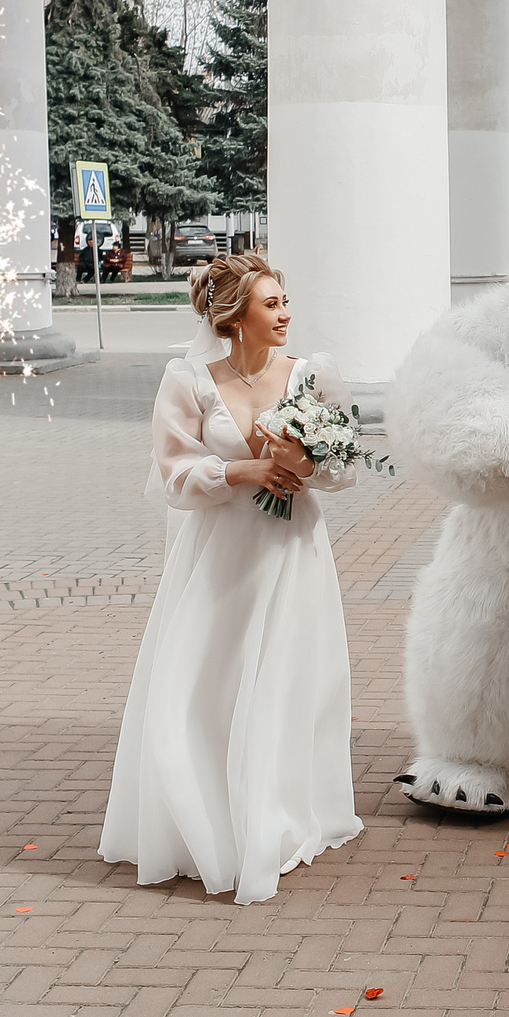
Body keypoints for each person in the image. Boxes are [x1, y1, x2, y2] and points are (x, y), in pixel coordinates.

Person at [99, 251, 364, 902]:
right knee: (205, 683)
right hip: (220, 553)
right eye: (271, 303)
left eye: (284, 301)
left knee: (287, 682)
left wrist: (307, 461)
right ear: (235, 315)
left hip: (292, 551)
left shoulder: (311, 376)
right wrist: (243, 471)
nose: (285, 314)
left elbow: (347, 466)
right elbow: (174, 477)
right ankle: (207, 820)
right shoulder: (186, 380)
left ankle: (278, 818)